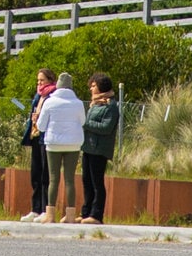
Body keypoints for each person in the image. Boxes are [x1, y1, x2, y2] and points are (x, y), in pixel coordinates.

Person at [34, 76, 87, 223]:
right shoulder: (78, 103)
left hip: (53, 143)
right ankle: (70, 215)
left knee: (53, 179)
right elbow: (83, 121)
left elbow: (41, 126)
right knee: (69, 179)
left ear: (57, 85)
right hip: (73, 144)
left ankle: (50, 215)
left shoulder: (49, 102)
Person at [79, 74, 121, 224]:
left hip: (99, 150)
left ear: (102, 87)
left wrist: (85, 123)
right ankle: (86, 213)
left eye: (94, 85)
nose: (91, 88)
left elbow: (106, 127)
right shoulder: (96, 104)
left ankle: (96, 215)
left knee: (97, 182)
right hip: (88, 147)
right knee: (87, 181)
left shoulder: (111, 106)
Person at [17, 69, 55, 221]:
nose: (39, 83)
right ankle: (35, 209)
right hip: (35, 136)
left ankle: (46, 209)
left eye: (42, 80)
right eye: (38, 81)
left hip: (45, 138)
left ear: (50, 80)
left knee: (46, 175)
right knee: (35, 174)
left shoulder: (52, 96)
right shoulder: (38, 96)